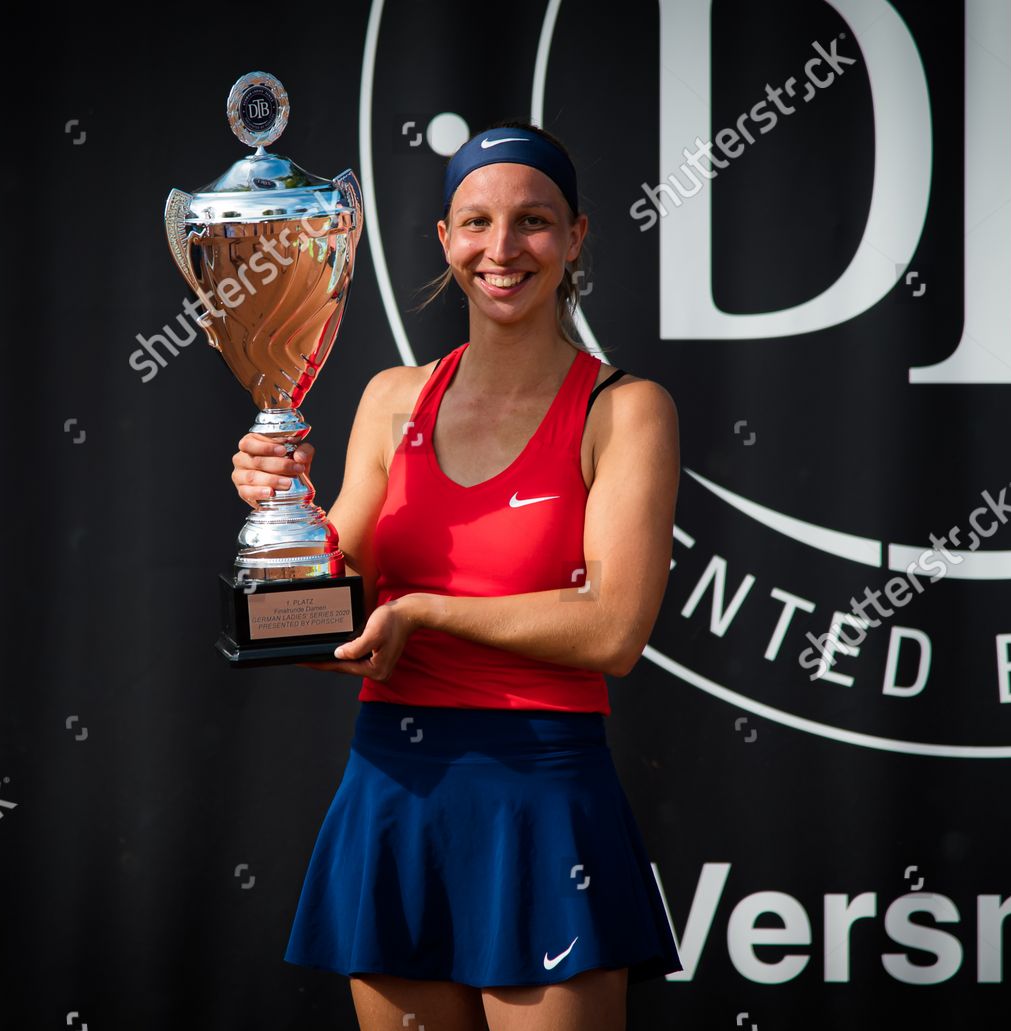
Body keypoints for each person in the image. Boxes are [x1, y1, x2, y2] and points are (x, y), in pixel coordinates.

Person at [231, 120, 682, 1030]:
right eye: (475, 222)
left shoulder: (625, 409)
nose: (502, 249)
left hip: (545, 802)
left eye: (535, 222)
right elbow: (328, 624)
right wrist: (278, 513)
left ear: (578, 236)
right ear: (444, 239)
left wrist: (425, 614)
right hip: (392, 794)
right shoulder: (390, 398)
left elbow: (613, 630)